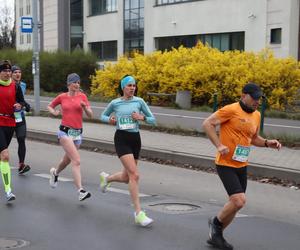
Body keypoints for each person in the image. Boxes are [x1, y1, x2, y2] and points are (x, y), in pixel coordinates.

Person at [202, 82, 282, 250]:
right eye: (254, 98)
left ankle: (216, 236)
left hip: (241, 164)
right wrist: (218, 145)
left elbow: (254, 139)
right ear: (243, 95)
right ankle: (215, 223)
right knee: (238, 201)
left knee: (236, 204)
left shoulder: (257, 115)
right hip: (225, 163)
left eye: (259, 98)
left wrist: (268, 143)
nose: (257, 101)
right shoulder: (230, 110)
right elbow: (207, 124)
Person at [99, 75, 156, 227]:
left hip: (135, 140)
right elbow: (102, 116)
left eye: (134, 85)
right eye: (129, 85)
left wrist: (141, 117)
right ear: (123, 87)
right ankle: (138, 213)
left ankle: (107, 179)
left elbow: (153, 120)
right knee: (135, 175)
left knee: (126, 177)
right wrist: (109, 120)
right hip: (121, 139)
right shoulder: (115, 103)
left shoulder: (139, 101)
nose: (132, 88)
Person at [47, 73, 93, 201]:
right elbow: (50, 106)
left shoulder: (82, 96)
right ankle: (80, 190)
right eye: (74, 82)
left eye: (78, 82)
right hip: (64, 132)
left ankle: (55, 173)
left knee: (67, 161)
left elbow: (90, 115)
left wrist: (85, 107)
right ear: (69, 84)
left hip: (77, 134)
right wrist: (54, 112)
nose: (77, 85)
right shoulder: (62, 97)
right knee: (76, 160)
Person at [0, 60, 26, 202]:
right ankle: (8, 190)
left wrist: (19, 105)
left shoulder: (15, 86)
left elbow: (21, 102)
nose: (8, 73)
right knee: (5, 156)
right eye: (5, 71)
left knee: (1, 156)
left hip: (10, 123)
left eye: (9, 71)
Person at [11, 65, 31, 175]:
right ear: (11, 74)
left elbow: (21, 100)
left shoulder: (22, 85)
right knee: (4, 143)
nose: (18, 74)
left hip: (19, 117)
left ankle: (21, 165)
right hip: (7, 117)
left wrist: (25, 105)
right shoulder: (7, 85)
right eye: (15, 72)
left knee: (21, 138)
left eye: (19, 72)